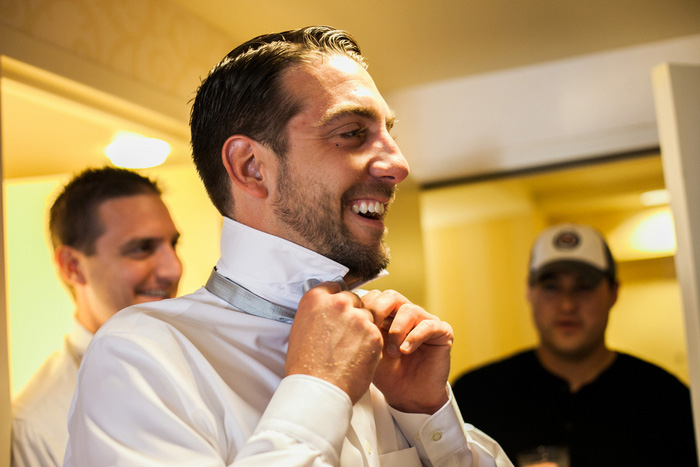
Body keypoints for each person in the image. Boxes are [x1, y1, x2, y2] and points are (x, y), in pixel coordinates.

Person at [64, 26, 511, 466]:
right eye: (352, 133)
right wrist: (318, 390)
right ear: (251, 167)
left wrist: (426, 418)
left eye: (388, 132)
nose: (398, 164)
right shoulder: (142, 358)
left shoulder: (390, 367)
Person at [453, 223, 698, 467]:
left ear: (613, 292)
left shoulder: (666, 400)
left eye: (584, 287)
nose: (567, 305)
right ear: (529, 291)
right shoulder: (475, 395)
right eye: (551, 287)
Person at [11, 166, 183, 467]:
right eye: (142, 248)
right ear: (73, 266)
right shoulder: (37, 426)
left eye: (173, 244)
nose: (174, 268)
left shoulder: (202, 361)